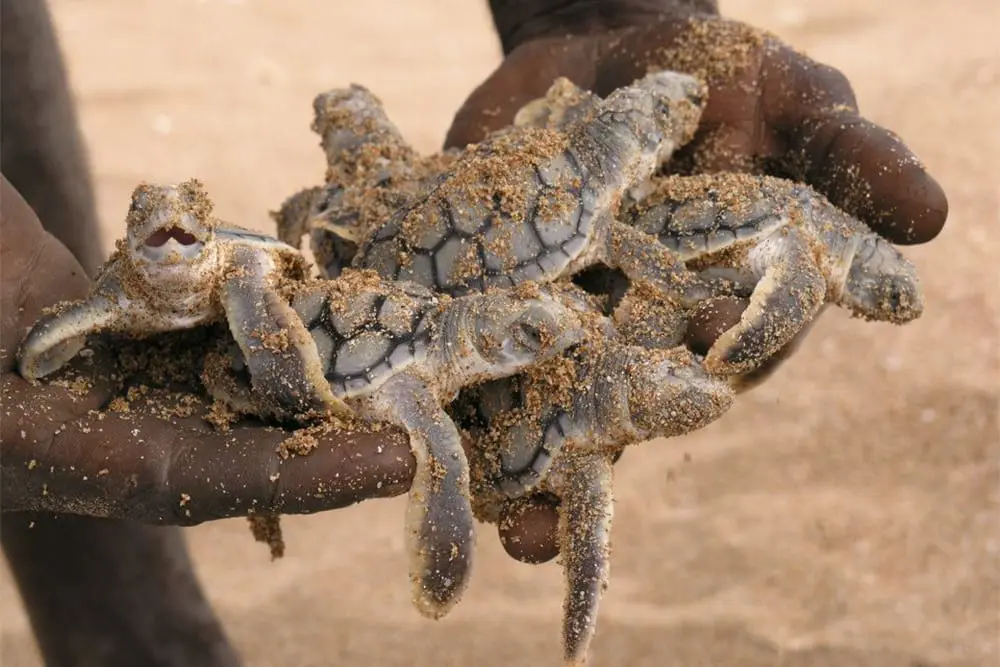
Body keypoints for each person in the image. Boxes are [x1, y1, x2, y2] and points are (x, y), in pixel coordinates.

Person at [0, 1, 948, 665]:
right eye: (525, 340)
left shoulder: (538, 213)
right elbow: (309, 273)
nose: (541, 346)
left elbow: (325, 248)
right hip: (370, 309)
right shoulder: (405, 367)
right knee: (78, 368)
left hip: (415, 279)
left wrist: (587, 4)